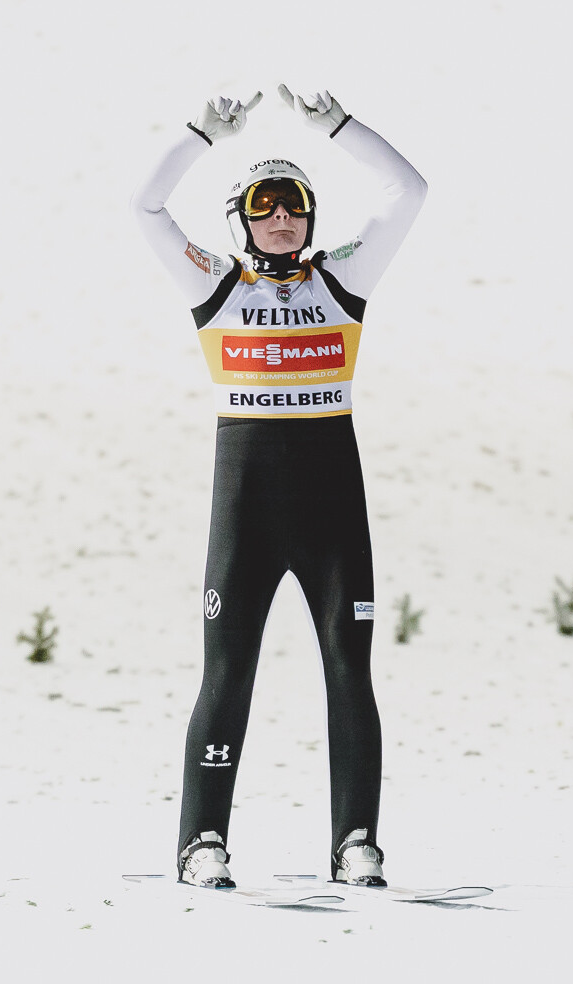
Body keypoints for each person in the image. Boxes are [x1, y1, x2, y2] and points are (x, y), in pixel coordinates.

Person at [130, 85, 426, 887]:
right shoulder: (215, 285)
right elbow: (145, 207)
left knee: (349, 672)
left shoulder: (342, 278)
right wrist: (199, 137)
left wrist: (339, 128)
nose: (283, 217)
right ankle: (201, 842)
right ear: (241, 219)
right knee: (226, 675)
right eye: (265, 205)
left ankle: (355, 840)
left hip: (333, 503)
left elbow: (409, 192)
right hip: (247, 507)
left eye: (295, 202)